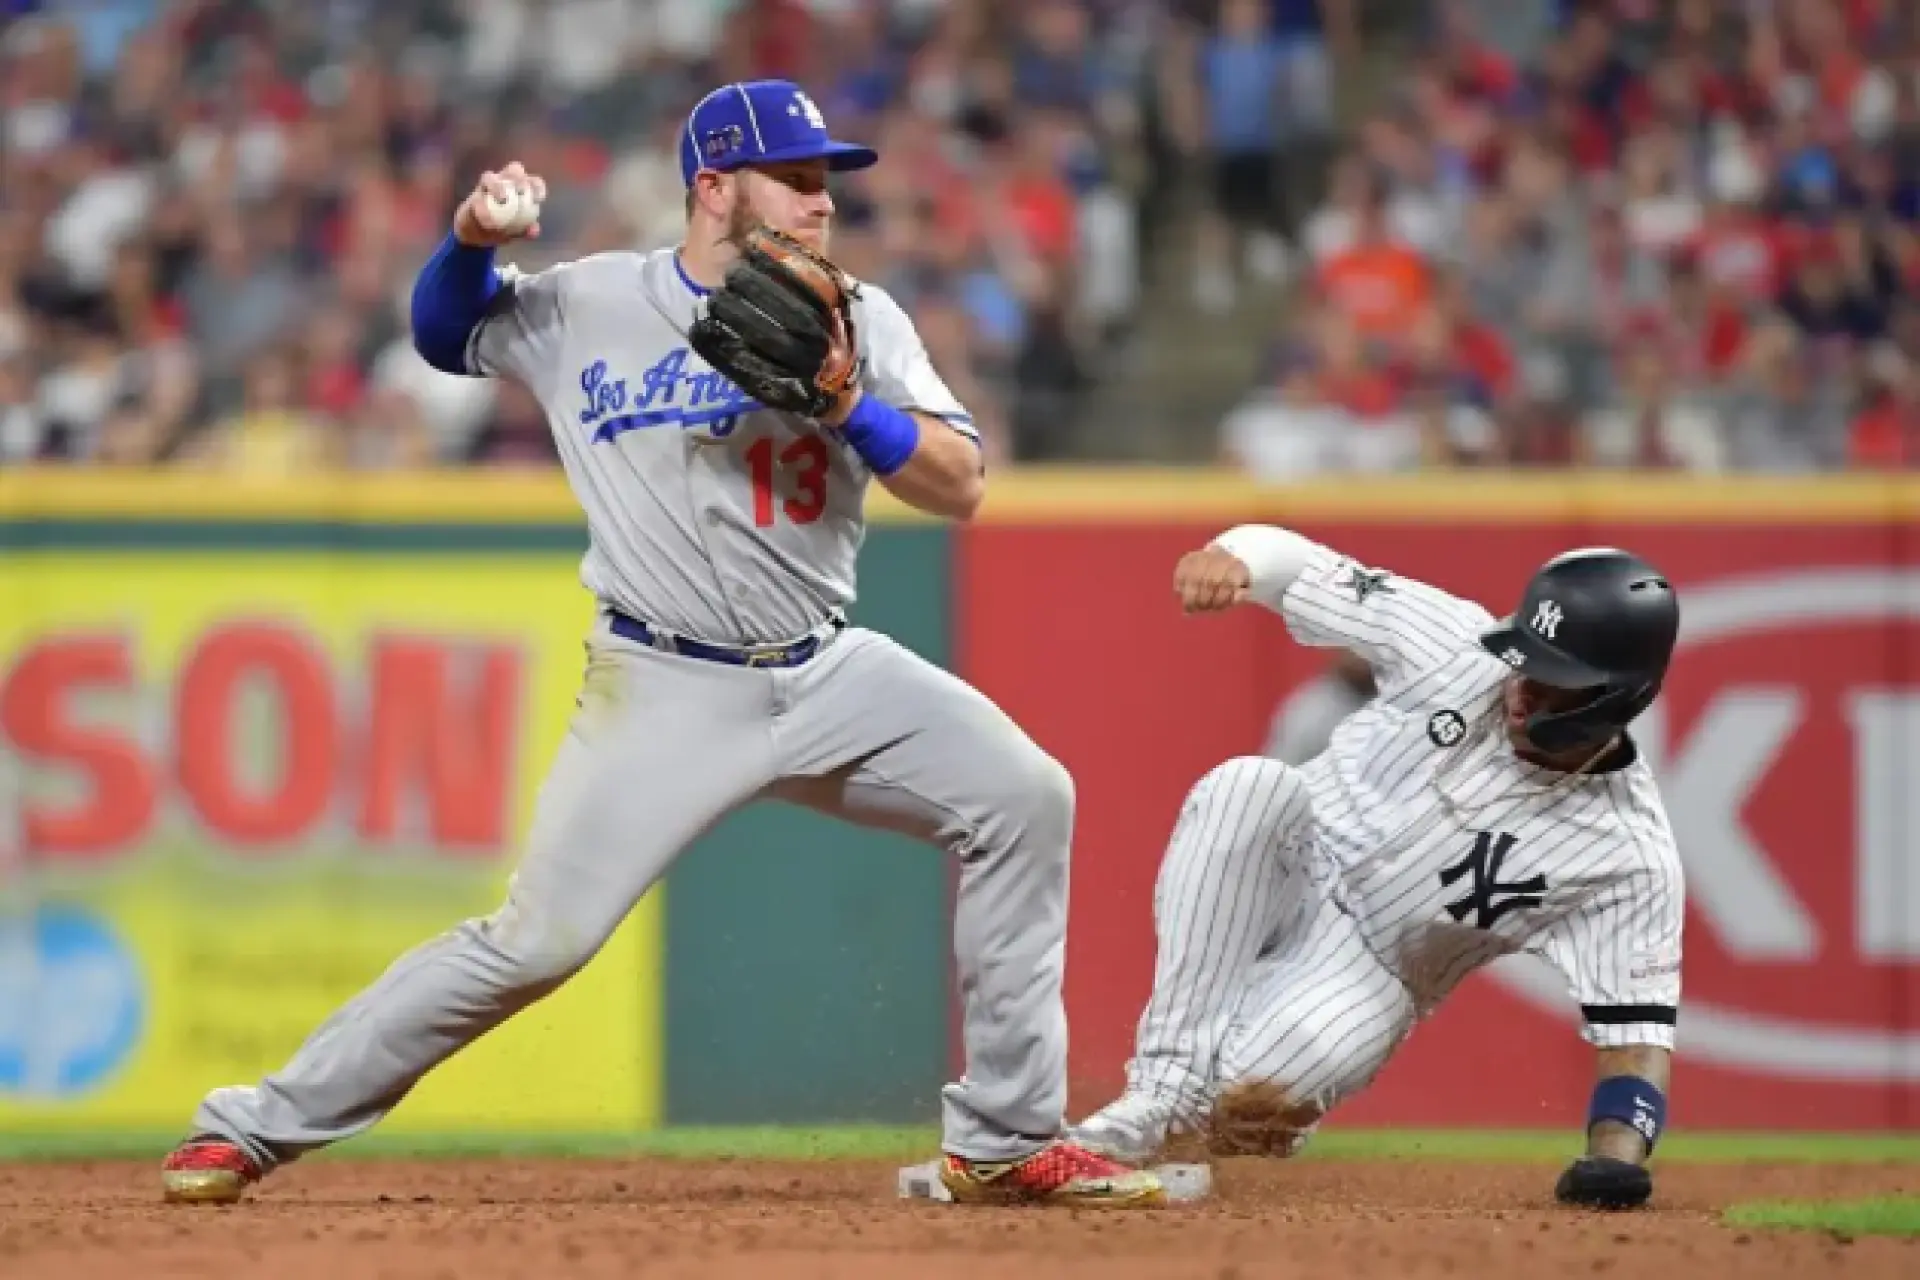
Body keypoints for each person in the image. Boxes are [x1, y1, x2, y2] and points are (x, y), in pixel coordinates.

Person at [158, 79, 1164, 1212]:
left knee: (1027, 796)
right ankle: (249, 1123)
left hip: (824, 667)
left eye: (824, 181)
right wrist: (467, 240)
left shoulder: (861, 319)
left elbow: (962, 482)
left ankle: (1005, 1134)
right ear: (713, 187)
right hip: (661, 679)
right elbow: (446, 333)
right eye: (793, 179)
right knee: (534, 944)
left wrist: (847, 411)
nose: (819, 203)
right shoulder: (592, 301)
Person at [1069, 527, 1685, 1211]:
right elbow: (1297, 564)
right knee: (1247, 786)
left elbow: (1636, 1039)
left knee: (1258, 1096)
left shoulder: (1627, 856)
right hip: (1293, 855)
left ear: (1616, 698)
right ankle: (1157, 1090)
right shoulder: (1456, 641)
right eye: (1524, 659)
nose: (1522, 687)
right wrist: (1235, 557)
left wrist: (1616, 1158)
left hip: (1373, 965)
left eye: (1553, 682)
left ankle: (1202, 1099)